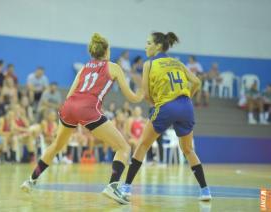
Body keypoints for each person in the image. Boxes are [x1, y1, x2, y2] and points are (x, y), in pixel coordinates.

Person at [20, 33, 143, 204]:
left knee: (56, 145)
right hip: (88, 109)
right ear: (106, 51)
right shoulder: (113, 67)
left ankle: (31, 180)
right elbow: (132, 97)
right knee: (123, 147)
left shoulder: (84, 67)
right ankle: (112, 186)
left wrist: (75, 115)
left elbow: (70, 94)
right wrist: (144, 90)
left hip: (69, 106)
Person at [119, 32, 212, 201]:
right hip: (186, 107)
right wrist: (187, 98)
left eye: (149, 43)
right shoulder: (177, 62)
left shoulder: (149, 64)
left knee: (142, 145)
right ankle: (205, 190)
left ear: (158, 46)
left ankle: (125, 188)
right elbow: (197, 82)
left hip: (166, 106)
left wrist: (155, 103)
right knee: (188, 150)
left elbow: (147, 95)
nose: (146, 46)